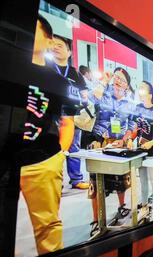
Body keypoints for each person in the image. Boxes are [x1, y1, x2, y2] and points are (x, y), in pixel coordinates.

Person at [2, 15, 77, 254]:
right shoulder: (7, 66)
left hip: (43, 159)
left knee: (47, 227)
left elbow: (67, 120)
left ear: (47, 39)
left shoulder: (56, 80)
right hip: (6, 158)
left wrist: (60, 156)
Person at [88, 67, 135, 236]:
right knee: (96, 181)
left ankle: (122, 208)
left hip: (118, 145)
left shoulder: (130, 103)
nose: (118, 81)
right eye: (116, 77)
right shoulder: (104, 94)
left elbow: (131, 124)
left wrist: (124, 139)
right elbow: (90, 98)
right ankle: (96, 220)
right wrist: (103, 81)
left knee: (120, 179)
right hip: (99, 143)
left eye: (122, 79)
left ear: (127, 85)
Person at [48, 34, 89, 190]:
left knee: (73, 148)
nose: (56, 47)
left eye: (60, 45)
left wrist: (82, 102)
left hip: (72, 115)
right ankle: (54, 181)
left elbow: (84, 93)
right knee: (51, 147)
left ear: (69, 52)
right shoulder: (47, 66)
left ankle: (76, 179)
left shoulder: (75, 73)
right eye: (53, 44)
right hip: (51, 114)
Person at [122, 81, 153, 214]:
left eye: (143, 89)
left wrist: (150, 143)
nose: (140, 91)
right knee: (143, 181)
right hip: (139, 152)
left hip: (152, 152)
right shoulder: (138, 107)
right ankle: (144, 206)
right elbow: (135, 127)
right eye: (140, 88)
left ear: (150, 94)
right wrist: (129, 139)